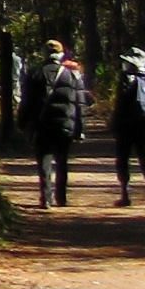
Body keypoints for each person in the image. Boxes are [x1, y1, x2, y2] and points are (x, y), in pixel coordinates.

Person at [30, 40, 89, 207]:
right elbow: (79, 104)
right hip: (65, 124)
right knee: (62, 161)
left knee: (44, 161)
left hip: (43, 124)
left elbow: (28, 102)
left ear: (44, 54)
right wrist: (80, 128)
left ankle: (46, 197)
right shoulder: (71, 75)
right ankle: (61, 198)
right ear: (61, 54)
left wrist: (24, 124)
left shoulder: (36, 73)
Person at [113, 47, 145, 208]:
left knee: (123, 159)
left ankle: (125, 193)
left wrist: (115, 122)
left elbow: (120, 103)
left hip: (127, 125)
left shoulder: (125, 78)